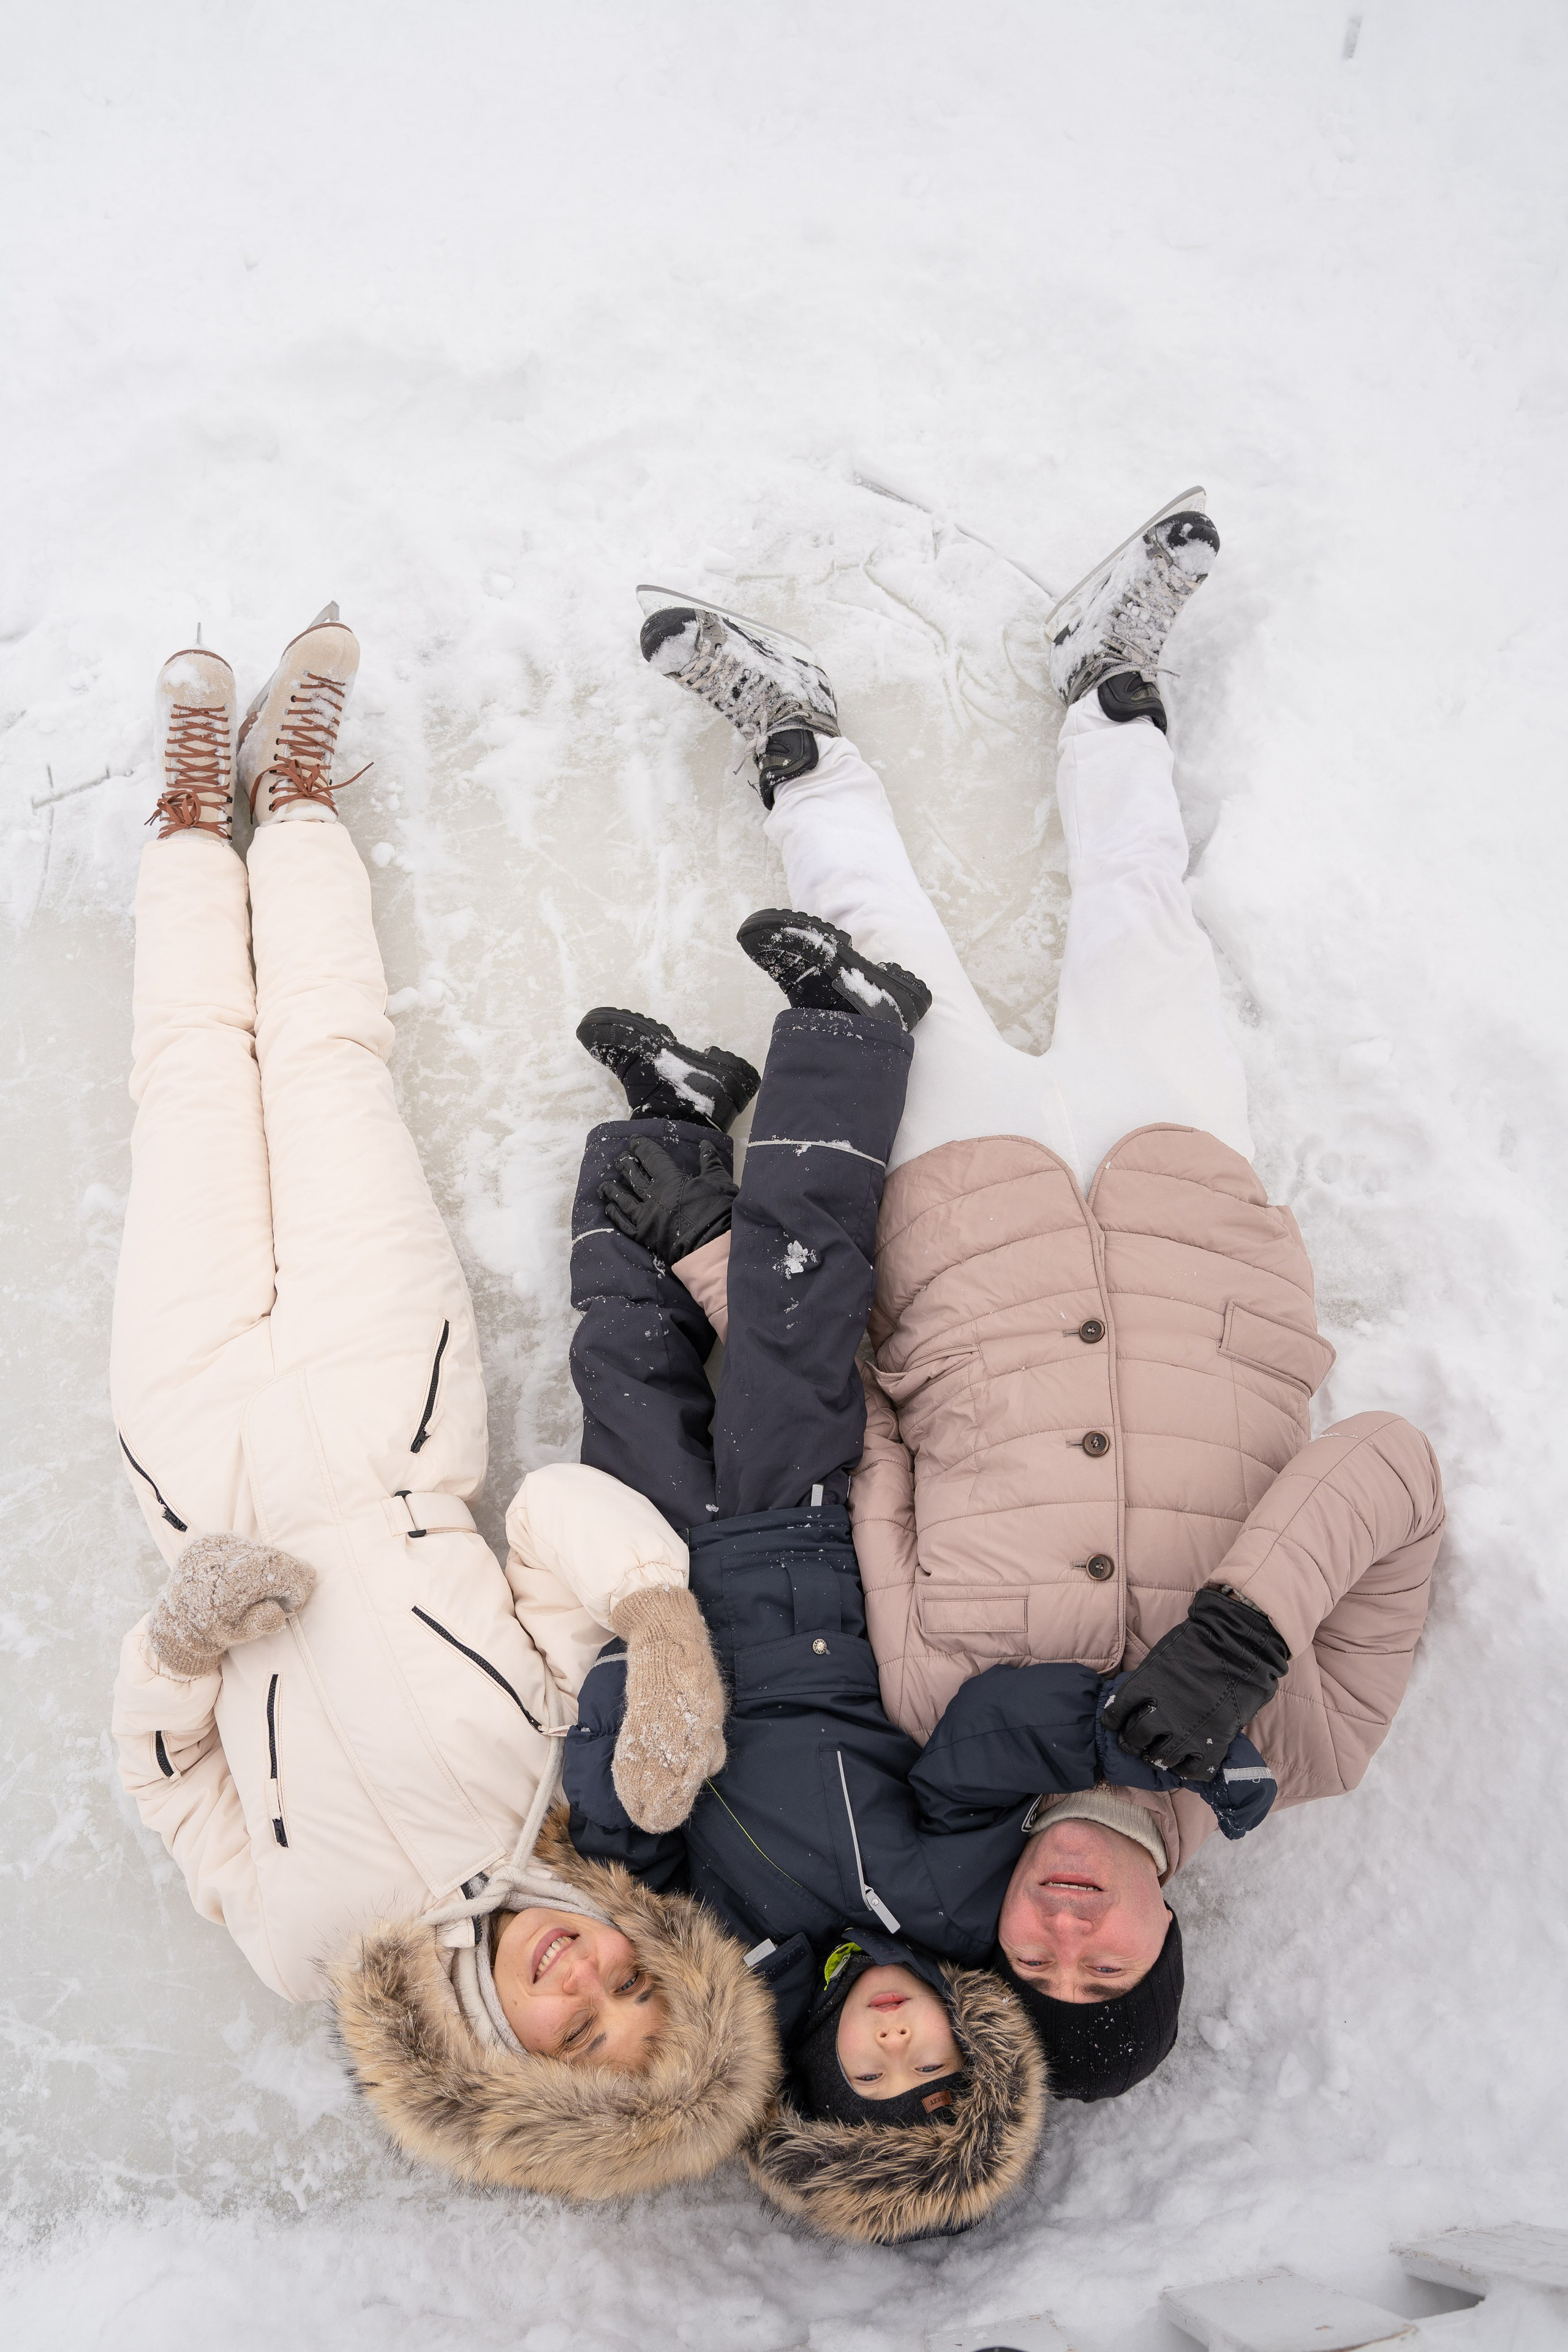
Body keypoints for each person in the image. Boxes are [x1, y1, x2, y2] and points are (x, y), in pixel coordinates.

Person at [631, 502, 1447, 2103]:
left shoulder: (942, 1706)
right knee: (1147, 917)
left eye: (1037, 1962)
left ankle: (795, 737)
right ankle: (1109, 682)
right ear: (1167, 1931)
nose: (1067, 1933)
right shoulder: (1312, 1741)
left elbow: (855, 1450)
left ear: (997, 1921)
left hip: (967, 1221)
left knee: (881, 949)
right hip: (1187, 1198)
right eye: (1112, 1966)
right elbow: (1394, 1476)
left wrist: (718, 1257)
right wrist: (1235, 1643)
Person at [108, 614, 778, 2202]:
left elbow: (167, 1774)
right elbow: (547, 1524)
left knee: (194, 1082)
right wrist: (656, 1614)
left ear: (500, 2057)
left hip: (198, 1458)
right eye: (634, 1986)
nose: (587, 1977)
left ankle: (194, 820)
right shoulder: (558, 1783)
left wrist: (186, 1641)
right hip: (384, 1396)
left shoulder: (297, 1945)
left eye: (573, 2028)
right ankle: (304, 795)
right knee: (332, 1063)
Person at [559, 917, 1275, 2237]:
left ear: (815, 2081)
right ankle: (850, 1026)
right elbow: (990, 1737)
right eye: (933, 2065)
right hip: (806, 1553)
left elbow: (624, 1849)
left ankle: (661, 1115)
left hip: (666, 1591)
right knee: (794, 1293)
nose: (896, 2040)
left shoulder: (735, 1984)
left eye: (869, 2076)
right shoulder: (956, 1903)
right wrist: (1158, 1744)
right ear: (969, 2039)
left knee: (621, 1369)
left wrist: (621, 1696)